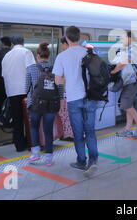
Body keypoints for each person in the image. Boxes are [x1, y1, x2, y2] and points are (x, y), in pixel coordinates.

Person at [53, 26, 99, 177]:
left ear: (66, 38)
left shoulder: (62, 56)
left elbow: (58, 81)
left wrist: (70, 78)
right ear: (79, 37)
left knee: (78, 133)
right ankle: (93, 161)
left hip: (73, 99)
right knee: (90, 132)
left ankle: (81, 161)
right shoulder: (89, 52)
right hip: (90, 97)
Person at [25, 42, 64, 166]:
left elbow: (26, 88)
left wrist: (28, 98)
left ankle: (35, 154)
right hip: (51, 104)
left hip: (35, 104)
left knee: (34, 128)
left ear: (37, 55)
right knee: (48, 130)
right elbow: (60, 87)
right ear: (48, 55)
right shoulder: (56, 69)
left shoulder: (31, 68)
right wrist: (61, 101)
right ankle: (48, 158)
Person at [2, 35, 36, 152]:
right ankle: (32, 143)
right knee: (30, 118)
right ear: (23, 42)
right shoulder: (26, 52)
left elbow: (3, 75)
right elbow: (32, 71)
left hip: (11, 92)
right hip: (25, 91)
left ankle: (19, 145)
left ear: (12, 43)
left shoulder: (6, 56)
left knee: (17, 120)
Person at [111, 31, 137, 138]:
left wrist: (113, 71)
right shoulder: (129, 49)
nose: (122, 40)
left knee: (125, 105)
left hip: (132, 81)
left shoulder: (134, 49)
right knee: (128, 105)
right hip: (128, 81)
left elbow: (124, 62)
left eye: (123, 38)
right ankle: (127, 129)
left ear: (130, 38)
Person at [0, 36, 11, 116]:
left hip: (0, 80)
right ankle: (8, 115)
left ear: (2, 44)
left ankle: (0, 115)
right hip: (11, 80)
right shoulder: (12, 52)